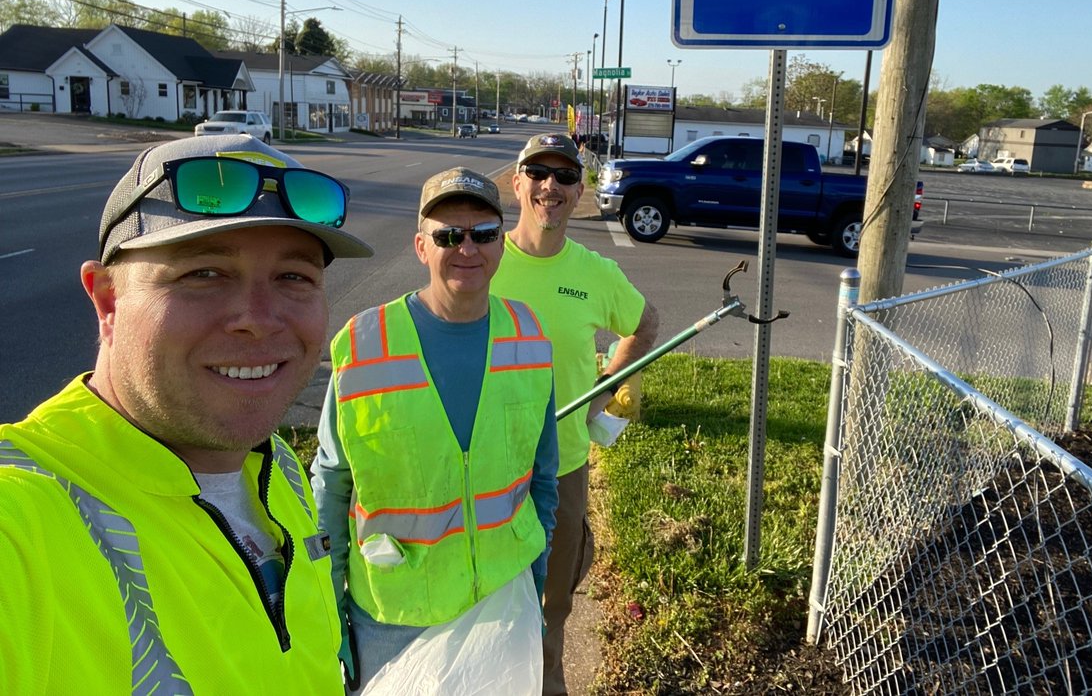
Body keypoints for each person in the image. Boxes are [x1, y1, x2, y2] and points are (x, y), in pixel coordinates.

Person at [0, 133, 374, 692]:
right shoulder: (25, 520)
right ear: (106, 300)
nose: (260, 319)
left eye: (294, 277)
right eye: (204, 274)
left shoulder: (275, 469)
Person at [311, 166, 559, 691]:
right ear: (421, 247)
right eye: (448, 235)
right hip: (395, 616)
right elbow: (331, 492)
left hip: (500, 597)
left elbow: (543, 480)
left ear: (500, 244)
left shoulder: (529, 336)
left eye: (484, 234)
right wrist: (331, 621)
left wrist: (534, 588)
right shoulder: (362, 344)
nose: (466, 248)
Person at [491, 133, 659, 696]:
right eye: (537, 172)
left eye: (564, 176)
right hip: (482, 465)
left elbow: (646, 324)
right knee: (481, 594)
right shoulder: (480, 258)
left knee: (552, 599)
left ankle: (547, 680)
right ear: (516, 183)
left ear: (579, 191)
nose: (550, 186)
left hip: (561, 465)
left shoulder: (595, 271)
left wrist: (610, 382)